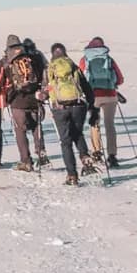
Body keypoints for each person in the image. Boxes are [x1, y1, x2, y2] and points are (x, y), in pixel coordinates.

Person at [44, 41, 99, 183]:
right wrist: (92, 105)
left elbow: (46, 90)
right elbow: (86, 86)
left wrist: (41, 98)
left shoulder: (50, 69)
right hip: (78, 105)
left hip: (60, 108)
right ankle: (85, 156)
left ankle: (72, 175)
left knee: (65, 142)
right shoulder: (73, 67)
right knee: (78, 133)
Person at [0, 37, 46, 171]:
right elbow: (43, 74)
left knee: (20, 130)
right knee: (37, 125)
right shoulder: (32, 57)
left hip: (17, 100)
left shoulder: (7, 60)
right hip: (35, 97)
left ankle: (26, 161)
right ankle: (41, 152)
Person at [81, 36, 126, 166]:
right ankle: (112, 155)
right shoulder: (109, 59)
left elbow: (81, 78)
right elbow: (120, 79)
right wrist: (112, 84)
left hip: (93, 96)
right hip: (110, 94)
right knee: (110, 125)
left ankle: (96, 152)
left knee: (94, 124)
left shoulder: (85, 59)